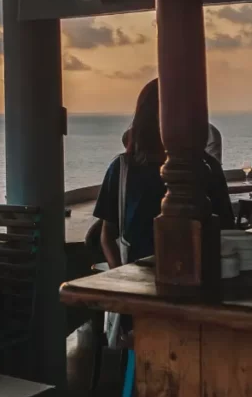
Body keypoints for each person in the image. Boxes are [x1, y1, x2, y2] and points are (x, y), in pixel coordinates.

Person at [96, 79, 234, 269]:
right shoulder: (122, 169)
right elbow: (107, 235)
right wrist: (118, 275)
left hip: (197, 277)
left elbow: (226, 230)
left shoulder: (207, 167)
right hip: (137, 280)